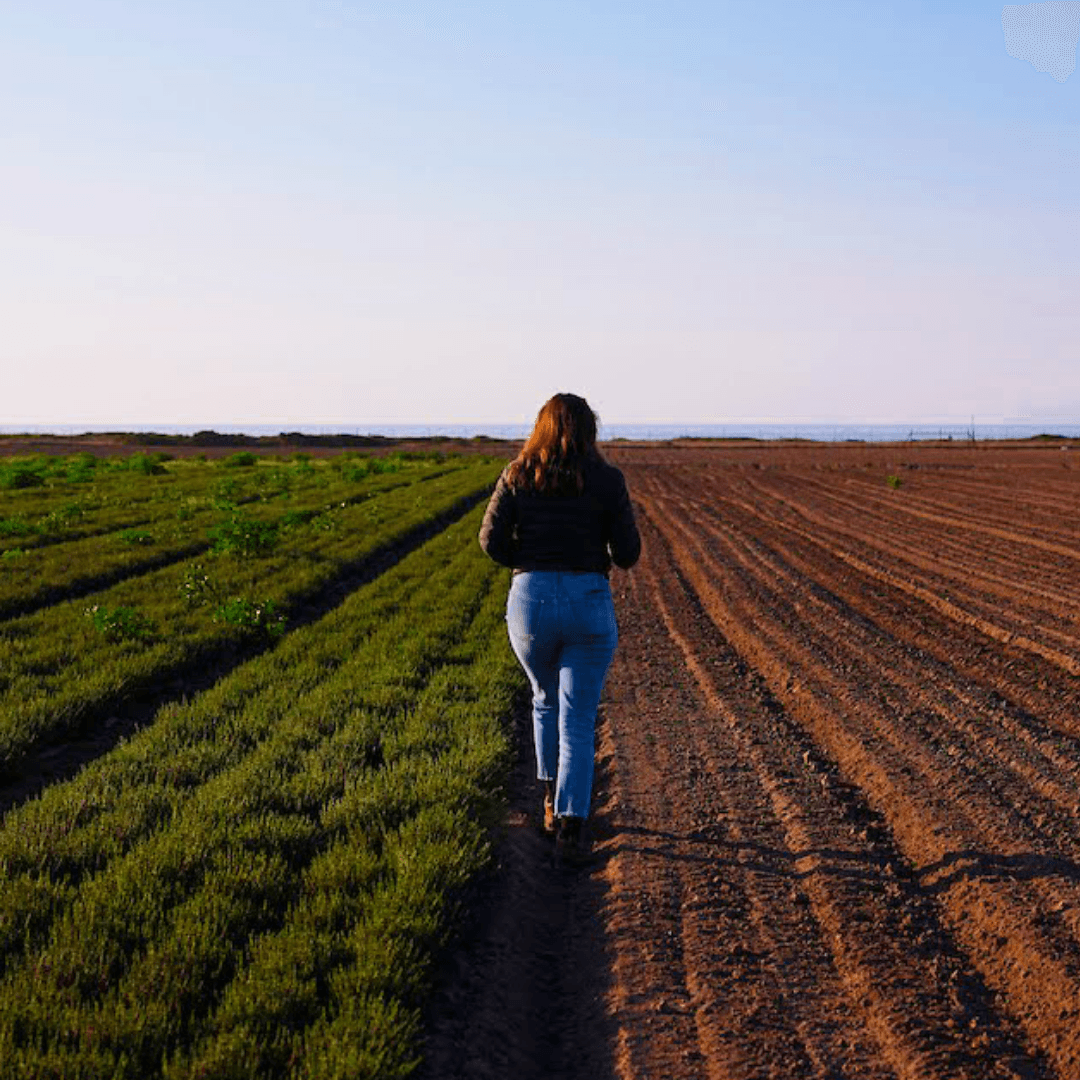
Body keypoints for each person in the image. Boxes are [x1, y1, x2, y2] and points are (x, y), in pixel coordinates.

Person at [479, 393, 641, 859]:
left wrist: (527, 562)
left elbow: (489, 540)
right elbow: (628, 554)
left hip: (530, 602)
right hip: (587, 600)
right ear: (590, 430)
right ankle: (572, 823)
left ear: (541, 428)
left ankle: (550, 802)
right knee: (578, 717)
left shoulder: (516, 474)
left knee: (544, 701)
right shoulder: (607, 480)